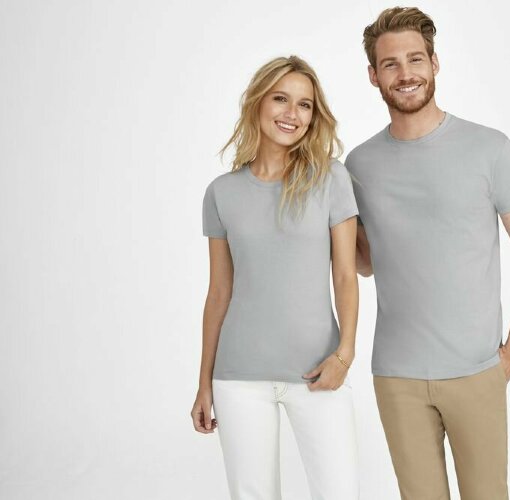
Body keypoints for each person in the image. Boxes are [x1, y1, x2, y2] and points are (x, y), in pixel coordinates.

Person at [344, 7, 510, 500]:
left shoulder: (489, 149)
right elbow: (366, 263)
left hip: (477, 370)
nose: (405, 73)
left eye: (415, 59)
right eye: (390, 64)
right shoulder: (359, 165)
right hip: (397, 375)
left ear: (435, 63)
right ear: (373, 76)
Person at [190, 55, 360, 500]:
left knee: (340, 492)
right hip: (239, 376)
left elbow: (345, 275)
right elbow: (219, 292)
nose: (292, 114)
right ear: (257, 103)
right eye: (281, 99)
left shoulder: (330, 179)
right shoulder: (222, 193)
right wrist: (204, 383)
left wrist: (344, 355)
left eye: (305, 105)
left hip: (320, 371)